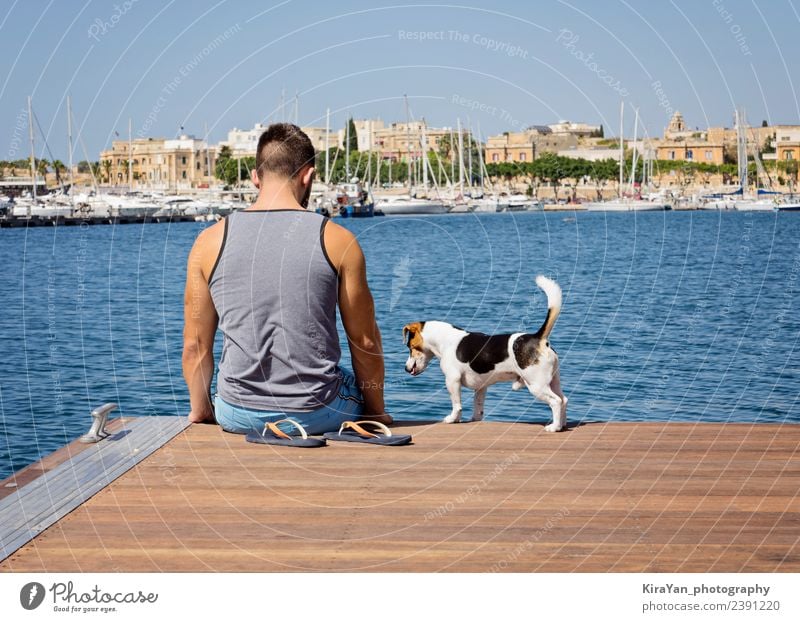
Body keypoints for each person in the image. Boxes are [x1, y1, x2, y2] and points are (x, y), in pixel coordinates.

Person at [182, 123, 390, 435]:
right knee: (349, 381)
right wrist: (375, 411)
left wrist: (201, 410)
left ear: (255, 177)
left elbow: (195, 345)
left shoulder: (208, 242)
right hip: (317, 412)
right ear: (309, 176)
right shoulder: (337, 240)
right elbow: (364, 341)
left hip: (236, 413)